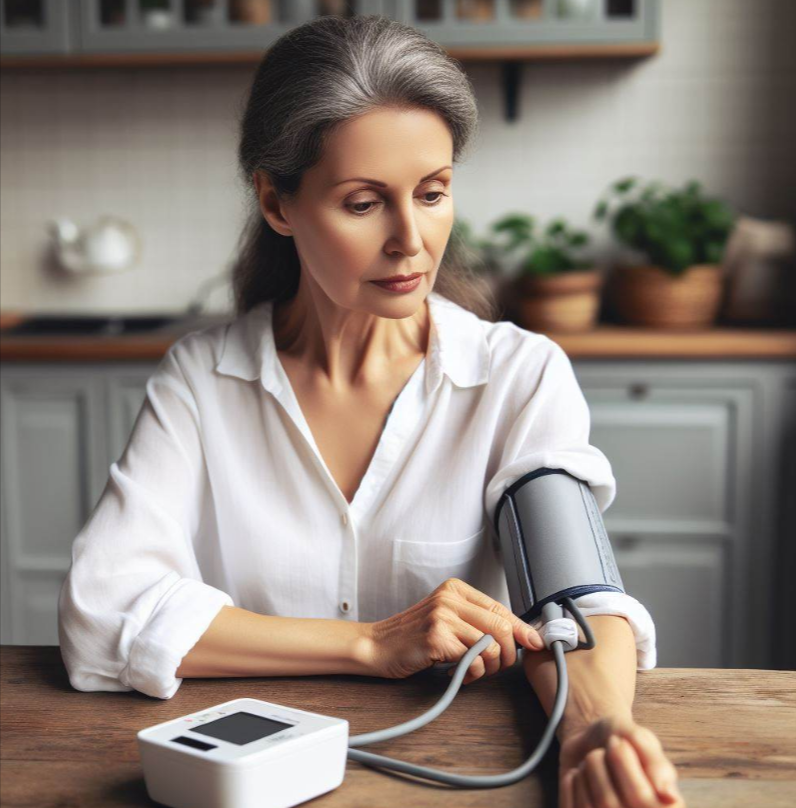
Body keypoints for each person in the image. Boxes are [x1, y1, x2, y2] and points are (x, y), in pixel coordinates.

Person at [58, 14, 683, 808]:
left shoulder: (517, 378)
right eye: (363, 203)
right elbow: (100, 613)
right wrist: (368, 643)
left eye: (432, 193)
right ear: (277, 202)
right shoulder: (199, 382)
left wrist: (597, 725)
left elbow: (574, 601)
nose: (411, 241)